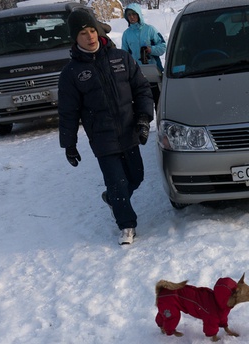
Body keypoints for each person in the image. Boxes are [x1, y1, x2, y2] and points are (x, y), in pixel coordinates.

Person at [58, 9, 154, 245]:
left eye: (92, 30)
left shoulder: (120, 58)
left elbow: (141, 89)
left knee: (136, 176)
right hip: (102, 138)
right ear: (75, 38)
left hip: (128, 130)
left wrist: (143, 118)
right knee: (117, 183)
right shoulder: (71, 73)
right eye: (83, 33)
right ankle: (127, 225)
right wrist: (69, 143)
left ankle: (112, 198)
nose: (89, 37)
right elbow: (68, 112)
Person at [121, 3, 166, 110]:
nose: (131, 17)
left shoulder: (150, 30)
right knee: (142, 104)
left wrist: (151, 50)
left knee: (159, 103)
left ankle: (160, 125)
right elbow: (124, 54)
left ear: (139, 15)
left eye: (134, 14)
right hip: (137, 73)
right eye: (129, 15)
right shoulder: (126, 34)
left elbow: (163, 47)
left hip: (154, 72)